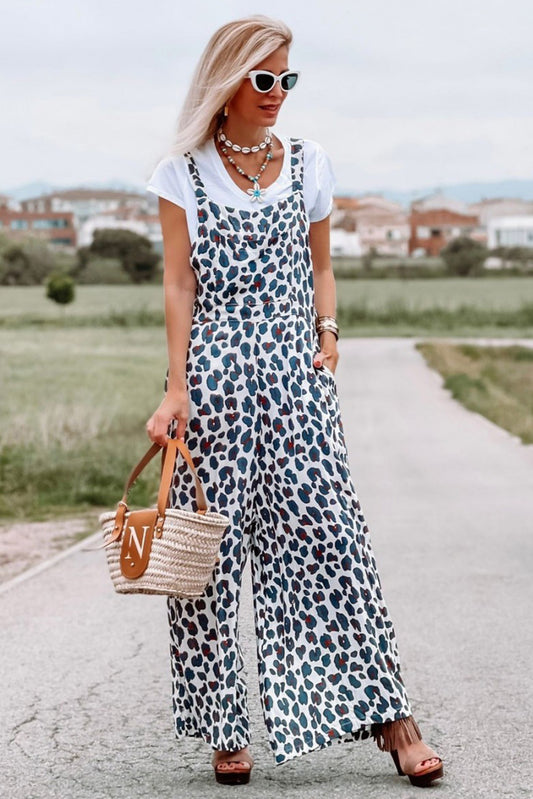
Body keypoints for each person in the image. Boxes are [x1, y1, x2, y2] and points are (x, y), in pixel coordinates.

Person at [145, 14, 443, 788]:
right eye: (264, 78)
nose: (277, 93)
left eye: (287, 79)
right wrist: (175, 386)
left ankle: (394, 718)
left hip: (294, 381)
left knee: (332, 541)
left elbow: (321, 269)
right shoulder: (180, 172)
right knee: (208, 557)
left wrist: (329, 331)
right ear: (227, 81)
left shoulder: (309, 164)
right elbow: (179, 283)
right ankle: (223, 726)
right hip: (213, 379)